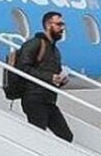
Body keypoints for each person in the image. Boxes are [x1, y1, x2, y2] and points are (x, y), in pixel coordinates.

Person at [17, 11, 72, 142]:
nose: (62, 28)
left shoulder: (55, 50)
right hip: (34, 98)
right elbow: (22, 67)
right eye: (59, 24)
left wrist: (61, 80)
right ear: (48, 25)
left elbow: (53, 74)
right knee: (38, 136)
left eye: (63, 24)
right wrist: (49, 77)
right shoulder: (35, 43)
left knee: (66, 136)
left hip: (49, 100)